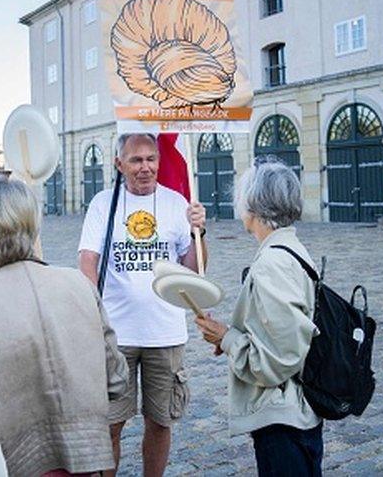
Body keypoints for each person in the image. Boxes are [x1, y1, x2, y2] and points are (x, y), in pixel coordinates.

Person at [0, 174, 128, 476]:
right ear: (32, 222)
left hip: (8, 465)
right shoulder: (79, 285)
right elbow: (117, 381)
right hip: (84, 465)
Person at [78, 133, 207, 477]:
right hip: (115, 335)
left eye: (151, 158)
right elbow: (88, 260)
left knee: (161, 422)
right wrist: (95, 309)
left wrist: (200, 233)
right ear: (119, 164)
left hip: (165, 333)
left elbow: (192, 270)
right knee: (110, 424)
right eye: (135, 160)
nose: (145, 167)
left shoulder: (176, 202)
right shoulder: (103, 204)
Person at [195, 159, 323, 477]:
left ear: (252, 205)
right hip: (297, 414)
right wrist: (232, 335)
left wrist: (227, 338)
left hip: (283, 418)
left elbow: (278, 361)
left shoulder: (272, 263)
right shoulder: (289, 249)